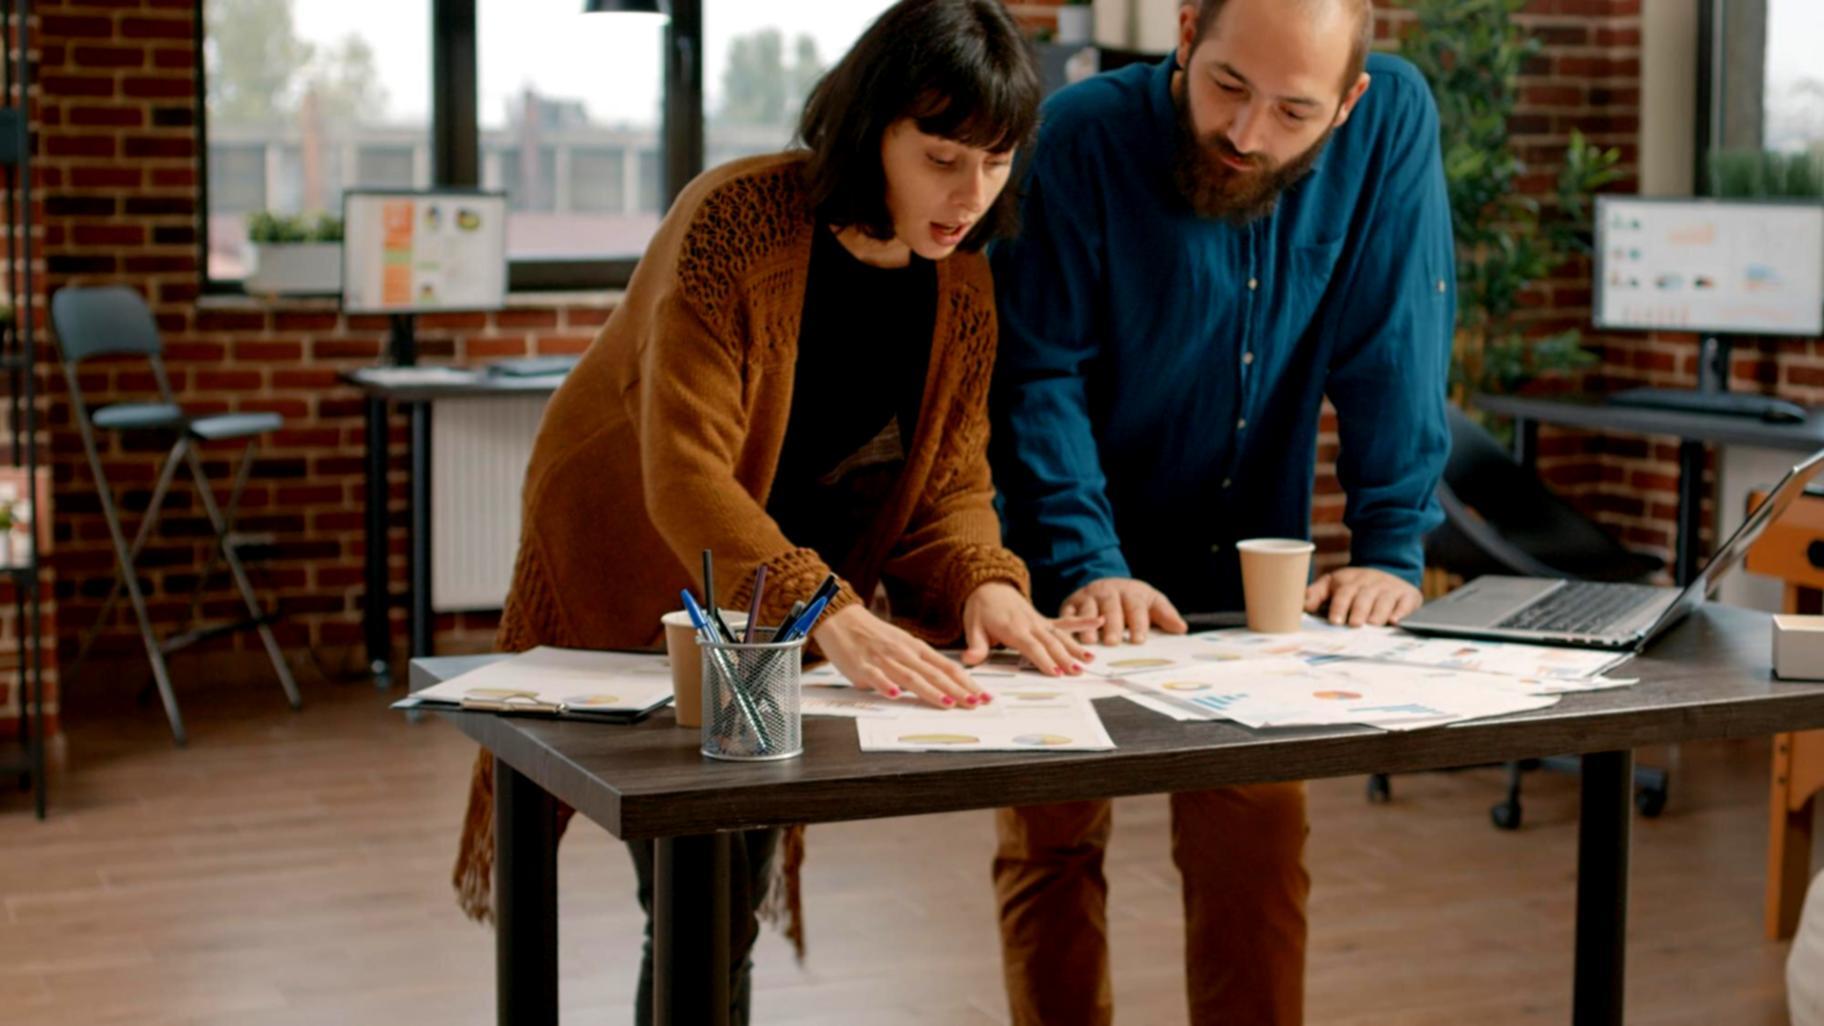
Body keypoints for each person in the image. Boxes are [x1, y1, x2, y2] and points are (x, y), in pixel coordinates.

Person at [448, 2, 1093, 1022]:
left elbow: (951, 490)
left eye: (997, 159)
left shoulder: (961, 286)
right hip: (636, 550)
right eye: (939, 156)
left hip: (773, 589)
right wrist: (820, 605)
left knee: (724, 885)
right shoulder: (736, 221)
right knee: (692, 877)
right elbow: (686, 478)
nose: (971, 194)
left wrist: (986, 582)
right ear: (872, 125)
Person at [987, 0, 1455, 1022]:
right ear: (1188, 30)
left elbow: (1395, 340)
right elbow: (1035, 377)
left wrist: (1389, 546)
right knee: (1051, 848)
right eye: (1228, 88)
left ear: (1348, 103)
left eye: (1294, 111)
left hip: (1248, 582)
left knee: (1256, 854)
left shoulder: (1391, 124)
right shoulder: (1081, 138)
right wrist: (1087, 558)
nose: (1248, 136)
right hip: (1071, 577)